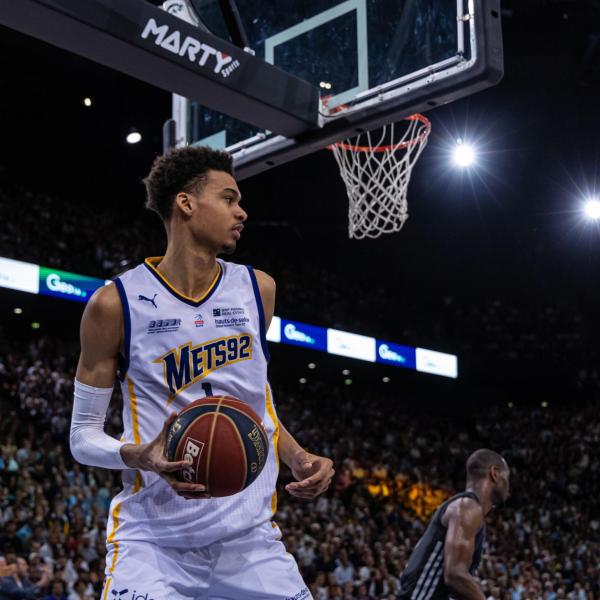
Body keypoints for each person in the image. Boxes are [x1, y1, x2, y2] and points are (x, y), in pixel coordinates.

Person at [70, 146, 335, 599]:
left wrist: (295, 456)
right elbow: (82, 436)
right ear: (186, 203)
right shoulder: (114, 304)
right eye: (229, 199)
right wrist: (139, 455)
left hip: (249, 541)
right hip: (154, 544)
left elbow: (255, 400)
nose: (242, 212)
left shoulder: (258, 289)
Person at [398, 449, 510, 600]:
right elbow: (455, 575)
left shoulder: (468, 509)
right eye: (507, 477)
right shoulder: (468, 508)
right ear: (494, 474)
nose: (508, 485)